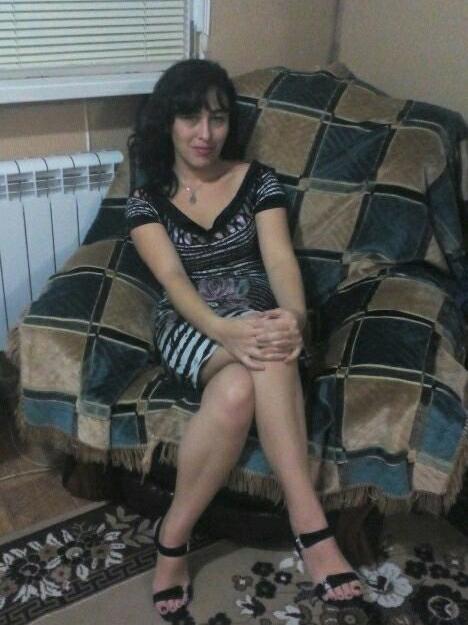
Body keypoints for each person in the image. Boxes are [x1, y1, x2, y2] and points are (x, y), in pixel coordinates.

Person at [126, 58, 362, 618]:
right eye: (190, 118)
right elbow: (173, 280)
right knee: (261, 353)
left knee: (246, 378)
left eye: (218, 117)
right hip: (191, 321)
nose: (205, 133)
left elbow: (279, 260)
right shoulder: (146, 201)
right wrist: (224, 331)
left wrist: (294, 316)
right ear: (167, 122)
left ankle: (172, 538)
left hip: (256, 307)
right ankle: (313, 530)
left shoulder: (258, 180)